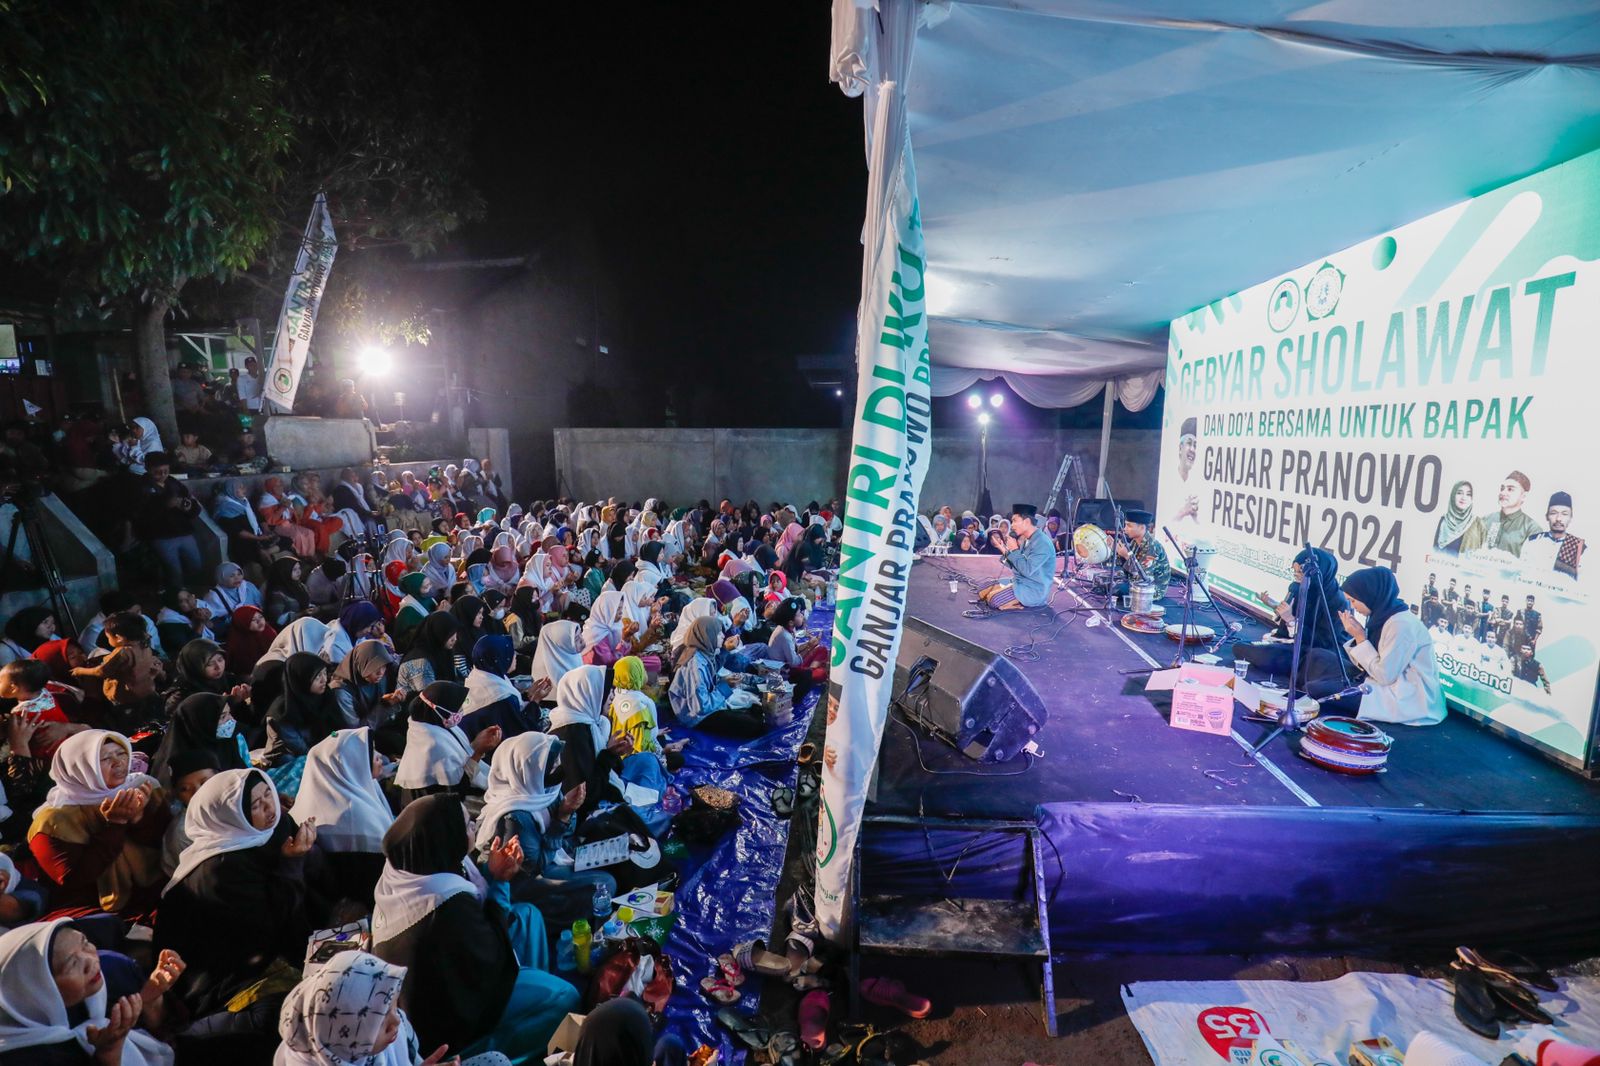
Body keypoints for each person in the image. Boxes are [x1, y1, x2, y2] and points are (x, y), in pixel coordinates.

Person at [371, 795, 580, 1062]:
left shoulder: (405, 872)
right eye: (468, 825)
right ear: (446, 838)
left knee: (528, 916)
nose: (473, 828)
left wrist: (491, 872)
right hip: (455, 1016)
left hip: (462, 970)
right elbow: (489, 948)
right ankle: (511, 1044)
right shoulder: (444, 907)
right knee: (566, 996)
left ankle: (530, 994)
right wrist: (501, 880)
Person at [155, 769, 318, 1049]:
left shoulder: (271, 828)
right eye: (256, 805)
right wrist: (292, 864)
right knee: (296, 1017)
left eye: (269, 794)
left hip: (265, 948)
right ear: (232, 818)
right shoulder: (218, 871)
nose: (270, 807)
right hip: (222, 975)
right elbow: (266, 925)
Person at [27, 730, 169, 919]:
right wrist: (116, 824)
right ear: (81, 766)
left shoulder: (144, 787)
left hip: (156, 890)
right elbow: (74, 880)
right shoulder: (53, 820)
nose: (118, 762)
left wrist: (139, 817)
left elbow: (165, 841)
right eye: (104, 758)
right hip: (98, 909)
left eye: (121, 753)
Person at [0, 917, 176, 1066]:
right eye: (72, 964)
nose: (91, 960)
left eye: (85, 944)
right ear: (34, 991)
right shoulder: (26, 1057)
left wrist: (151, 1001)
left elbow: (165, 1039)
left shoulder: (108, 980)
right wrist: (109, 1052)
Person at [473, 731, 606, 927]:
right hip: (528, 885)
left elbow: (568, 834)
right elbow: (535, 868)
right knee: (604, 885)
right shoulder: (515, 818)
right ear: (525, 769)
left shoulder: (539, 790)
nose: (557, 768)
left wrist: (568, 811)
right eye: (550, 765)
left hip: (555, 857)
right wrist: (562, 817)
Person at [274, 950, 442, 1066]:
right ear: (345, 1043)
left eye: (393, 1005)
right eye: (379, 1022)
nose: (397, 1020)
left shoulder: (365, 1046)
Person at [290, 728, 392, 905]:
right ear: (349, 764)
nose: (379, 757)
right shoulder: (355, 816)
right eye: (370, 752)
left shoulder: (314, 797)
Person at [1339, 567, 1446, 726]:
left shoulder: (1400, 624)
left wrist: (1360, 637)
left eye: (1353, 601)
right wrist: (1359, 638)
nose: (1353, 607)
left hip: (1410, 698)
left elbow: (1385, 676)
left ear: (1369, 596)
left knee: (1321, 688)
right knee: (1321, 662)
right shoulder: (1382, 616)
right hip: (1386, 685)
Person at [392, 682, 498, 807]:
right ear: (439, 708)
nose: (461, 711)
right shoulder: (431, 744)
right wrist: (478, 753)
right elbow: (456, 789)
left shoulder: (432, 726)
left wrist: (476, 745)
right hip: (436, 809)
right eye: (457, 707)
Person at [667, 616, 766, 737]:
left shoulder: (702, 652)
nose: (723, 636)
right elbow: (701, 707)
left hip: (704, 704)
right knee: (753, 725)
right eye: (718, 633)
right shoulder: (695, 665)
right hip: (695, 716)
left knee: (756, 709)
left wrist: (725, 650)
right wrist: (725, 687)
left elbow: (712, 672)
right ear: (707, 635)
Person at [261, 652, 340, 794]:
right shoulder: (282, 712)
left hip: (319, 749)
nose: (324, 680)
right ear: (301, 680)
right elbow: (299, 747)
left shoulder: (324, 696)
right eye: (317, 677)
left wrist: (335, 739)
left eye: (324, 673)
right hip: (286, 757)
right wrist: (327, 753)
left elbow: (335, 729)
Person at [132, 454, 203, 589]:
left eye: (166, 471)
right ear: (147, 468)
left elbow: (193, 505)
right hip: (161, 536)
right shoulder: (141, 487)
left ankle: (191, 593)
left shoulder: (174, 483)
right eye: (157, 472)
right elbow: (139, 514)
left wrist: (188, 508)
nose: (162, 475)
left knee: (196, 565)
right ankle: (177, 595)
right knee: (173, 571)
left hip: (183, 531)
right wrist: (163, 505)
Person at [976, 505, 1058, 610]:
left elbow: (1027, 570)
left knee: (992, 599)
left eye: (1014, 521)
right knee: (982, 590)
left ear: (1027, 522)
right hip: (1019, 582)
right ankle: (1010, 600)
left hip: (1033, 590)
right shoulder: (1028, 539)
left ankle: (1015, 604)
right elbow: (1018, 565)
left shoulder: (1043, 543)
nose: (1012, 525)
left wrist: (1014, 550)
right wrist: (1003, 549)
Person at [460, 635, 539, 740]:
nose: (514, 655)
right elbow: (521, 732)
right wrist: (536, 701)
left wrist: (528, 695)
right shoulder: (498, 697)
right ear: (498, 658)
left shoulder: (479, 675)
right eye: (509, 653)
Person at [330, 640, 400, 734]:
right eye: (374, 667)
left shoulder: (382, 674)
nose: (380, 673)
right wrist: (384, 705)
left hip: (379, 726)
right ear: (361, 664)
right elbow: (355, 731)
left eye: (383, 666)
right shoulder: (342, 691)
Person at [1465, 471, 1540, 558]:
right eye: (1502, 489)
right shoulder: (1485, 520)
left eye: (1510, 489)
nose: (1503, 493)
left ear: (1523, 496)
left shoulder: (1533, 530)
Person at [213, 479, 278, 571]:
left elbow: (259, 517)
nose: (245, 489)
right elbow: (238, 532)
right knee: (256, 554)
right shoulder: (225, 509)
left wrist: (266, 531)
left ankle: (266, 552)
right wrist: (259, 538)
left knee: (286, 540)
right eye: (240, 487)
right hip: (242, 542)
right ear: (232, 490)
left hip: (257, 536)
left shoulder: (244, 502)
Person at [397, 613, 463, 697]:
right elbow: (429, 699)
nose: (455, 638)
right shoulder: (420, 662)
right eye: (450, 634)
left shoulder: (441, 650)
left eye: (455, 633)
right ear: (438, 632)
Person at [1522, 491, 1585, 579]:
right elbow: (1521, 573)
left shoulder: (1579, 547)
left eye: (1564, 514)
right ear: (1547, 516)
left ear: (1571, 518)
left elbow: (1582, 583)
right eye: (1553, 513)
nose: (1558, 518)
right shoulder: (1532, 541)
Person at [1112, 508, 1170, 598]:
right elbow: (1127, 571)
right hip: (1136, 583)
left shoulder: (1152, 547)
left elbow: (1144, 577)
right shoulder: (1134, 542)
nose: (1124, 529)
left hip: (1151, 590)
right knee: (1109, 583)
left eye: (1129, 526)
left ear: (1142, 527)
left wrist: (1126, 556)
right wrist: (1117, 552)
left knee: (1117, 589)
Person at [201, 563, 264, 641]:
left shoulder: (248, 587)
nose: (237, 578)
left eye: (239, 574)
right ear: (222, 578)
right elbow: (212, 621)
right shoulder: (213, 597)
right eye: (231, 576)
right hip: (233, 633)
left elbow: (261, 604)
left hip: (257, 625)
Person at [528, 619, 584, 692]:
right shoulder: (545, 670)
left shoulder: (573, 656)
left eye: (581, 634)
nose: (582, 640)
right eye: (576, 639)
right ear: (562, 644)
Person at [223, 604, 277, 676]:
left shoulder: (269, 631)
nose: (259, 621)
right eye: (253, 620)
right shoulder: (237, 642)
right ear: (242, 623)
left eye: (260, 617)